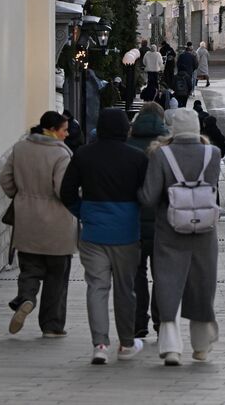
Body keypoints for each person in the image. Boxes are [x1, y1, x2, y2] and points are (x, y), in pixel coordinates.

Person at [60, 107, 148, 365]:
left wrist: (84, 212)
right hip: (127, 233)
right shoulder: (138, 158)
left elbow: (66, 192)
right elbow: (147, 195)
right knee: (125, 290)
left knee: (96, 288)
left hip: (94, 232)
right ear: (125, 129)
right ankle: (126, 344)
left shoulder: (83, 155)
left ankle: (100, 344)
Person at [139, 108, 222, 366]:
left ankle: (171, 347)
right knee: (202, 286)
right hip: (204, 232)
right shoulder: (213, 154)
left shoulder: (161, 155)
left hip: (170, 231)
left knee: (168, 284)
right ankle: (201, 346)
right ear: (197, 127)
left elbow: (150, 197)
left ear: (172, 129)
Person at [0, 111, 76, 338]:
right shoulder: (61, 154)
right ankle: (52, 326)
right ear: (53, 130)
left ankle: (26, 298)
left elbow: (5, 179)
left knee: (29, 268)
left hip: (26, 220)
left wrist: (20, 195)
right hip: (57, 224)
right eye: (64, 129)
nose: (67, 133)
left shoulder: (20, 148)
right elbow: (62, 189)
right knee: (57, 275)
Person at [127, 102, 168, 340]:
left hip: (133, 222)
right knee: (162, 275)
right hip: (164, 223)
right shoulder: (167, 146)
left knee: (137, 274)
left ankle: (138, 322)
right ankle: (162, 322)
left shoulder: (127, 144)